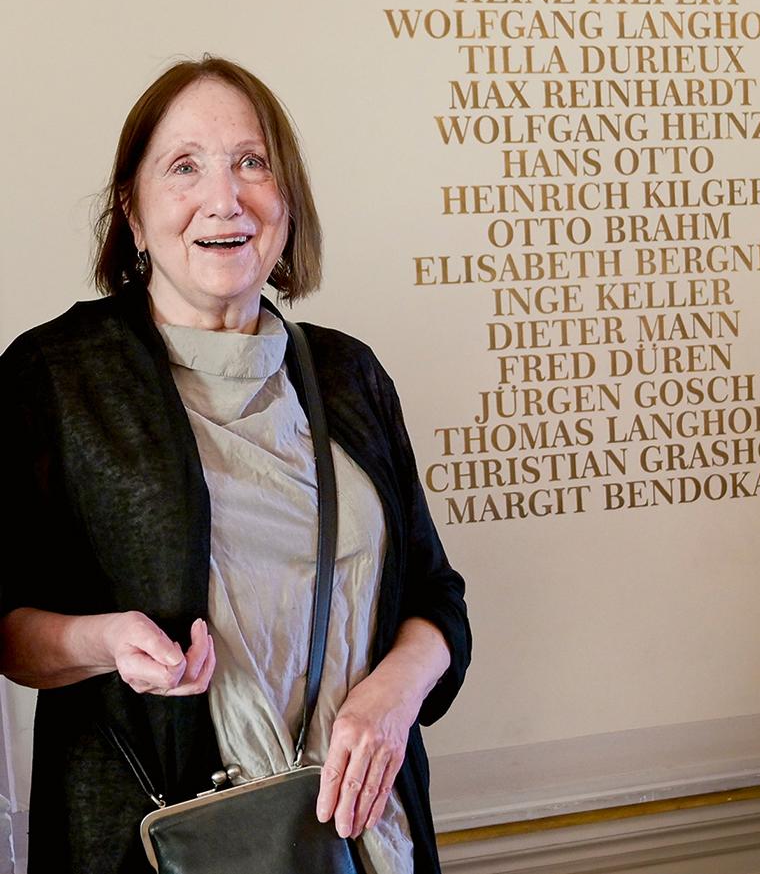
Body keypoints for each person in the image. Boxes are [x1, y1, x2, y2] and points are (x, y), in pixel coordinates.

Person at [0, 56, 470, 874]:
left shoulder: (346, 374)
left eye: (252, 162)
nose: (226, 198)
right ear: (133, 213)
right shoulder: (60, 378)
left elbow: (436, 600)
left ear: (286, 199)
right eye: (184, 166)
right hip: (156, 846)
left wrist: (391, 701)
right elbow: (5, 626)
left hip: (365, 835)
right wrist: (108, 641)